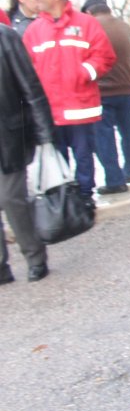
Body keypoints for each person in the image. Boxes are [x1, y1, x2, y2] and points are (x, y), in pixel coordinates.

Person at [22, 0, 116, 203]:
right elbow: (27, 66)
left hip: (79, 107)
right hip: (50, 110)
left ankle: (85, 196)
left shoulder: (86, 24)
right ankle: (64, 199)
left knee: (83, 154)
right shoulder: (34, 30)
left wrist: (82, 73)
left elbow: (104, 57)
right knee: (57, 157)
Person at [0, 23, 52, 284]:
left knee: (12, 199)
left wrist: (44, 133)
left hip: (7, 135)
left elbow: (30, 86)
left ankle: (34, 256)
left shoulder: (4, 36)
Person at [82, 0, 130, 194]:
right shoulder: (125, 27)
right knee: (129, 132)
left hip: (101, 92)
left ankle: (115, 180)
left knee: (104, 137)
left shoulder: (89, 28)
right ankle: (129, 169)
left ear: (89, 12)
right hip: (126, 89)